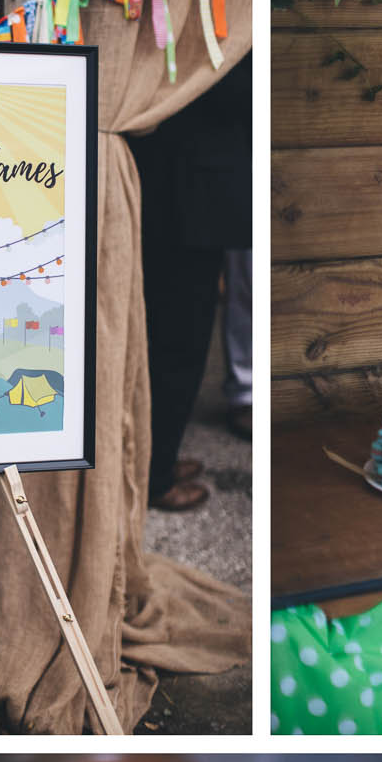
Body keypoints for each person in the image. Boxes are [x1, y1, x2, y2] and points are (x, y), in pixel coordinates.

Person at [131, 57, 251, 509]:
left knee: (170, 337)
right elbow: (236, 95)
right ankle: (154, 475)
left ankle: (154, 456)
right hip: (191, 193)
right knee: (178, 342)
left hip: (182, 184)